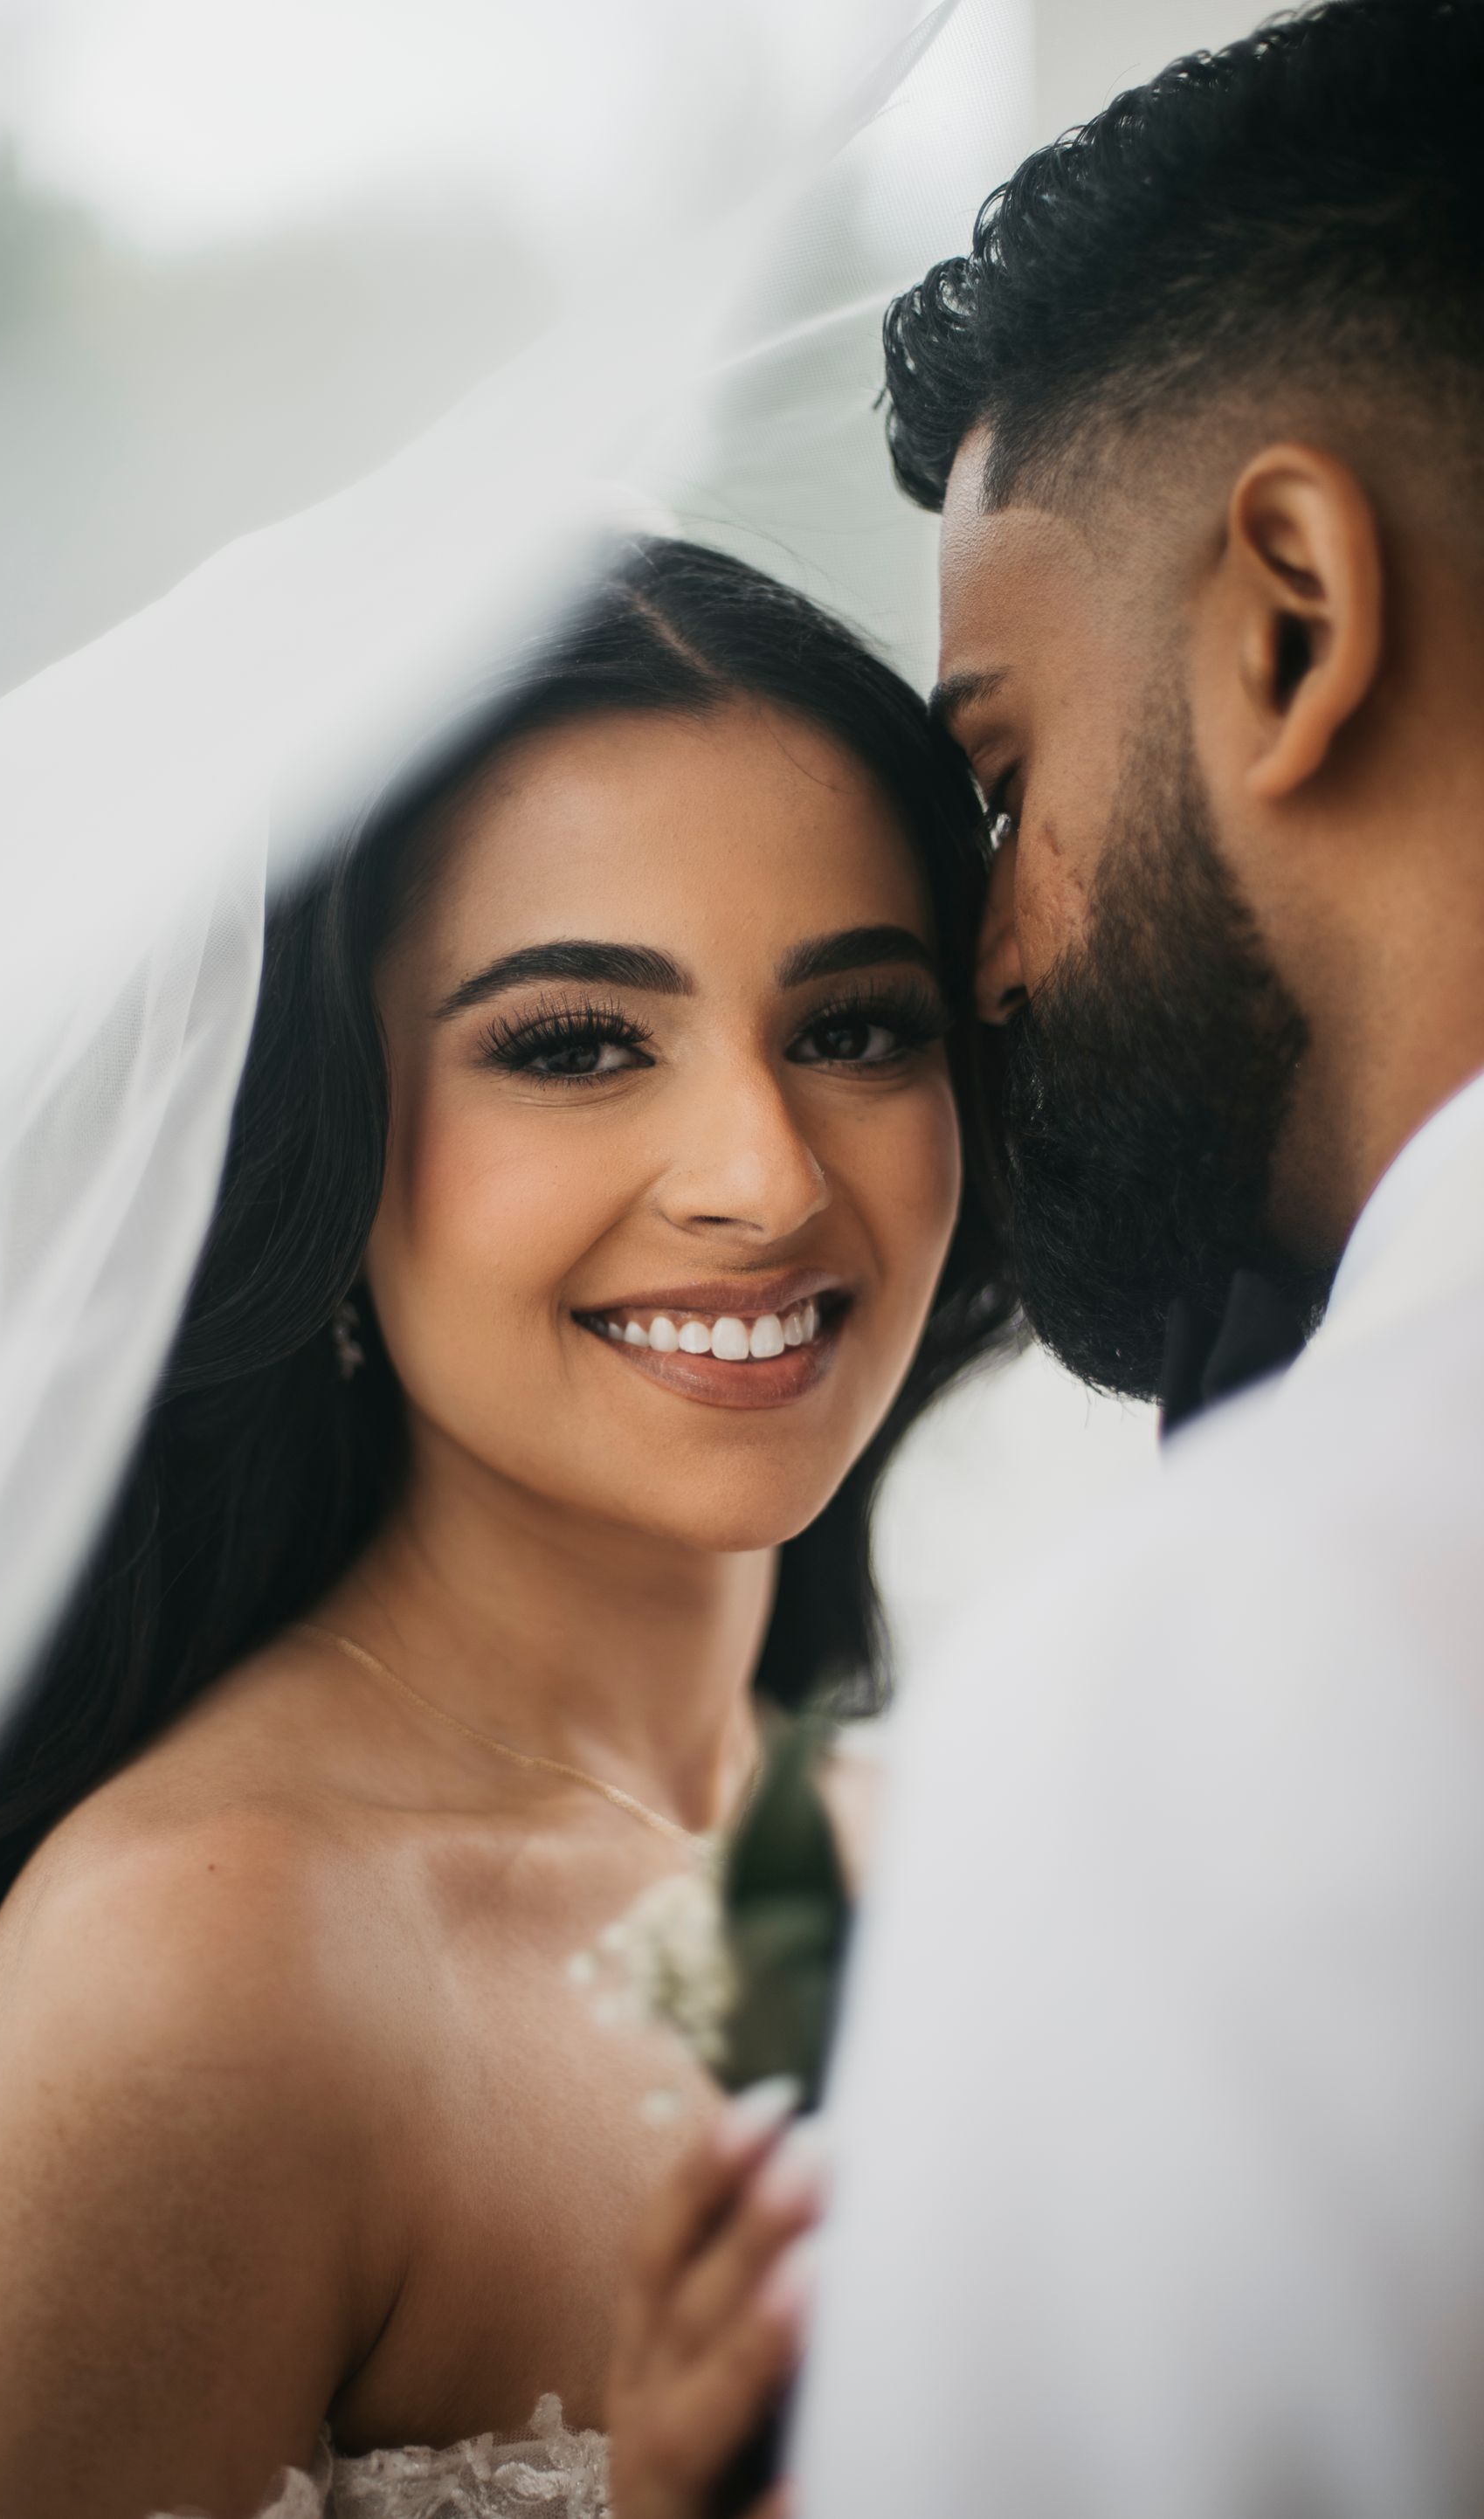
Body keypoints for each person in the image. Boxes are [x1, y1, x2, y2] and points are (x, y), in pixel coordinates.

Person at [0, 536, 1014, 2519]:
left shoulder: (933, 1844)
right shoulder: (216, 1963)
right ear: (329, 1147)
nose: (763, 1172)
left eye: (858, 1022)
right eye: (573, 1041)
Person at [602, 2, 1484, 2513]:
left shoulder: (1231, 1694)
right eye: (578, 1042)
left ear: (1294, 617)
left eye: (1002, 775)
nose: (987, 974)